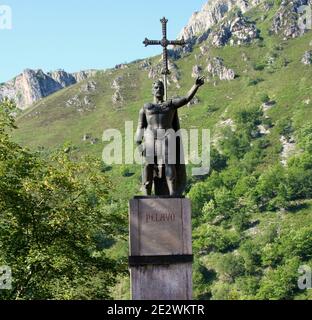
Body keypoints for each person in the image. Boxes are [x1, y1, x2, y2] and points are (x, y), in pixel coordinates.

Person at [135, 76, 205, 196]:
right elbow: (140, 126)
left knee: (169, 163)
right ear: (152, 90)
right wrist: (138, 144)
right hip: (150, 138)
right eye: (156, 87)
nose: (159, 89)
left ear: (163, 90)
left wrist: (195, 86)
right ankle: (147, 193)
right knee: (148, 164)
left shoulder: (170, 104)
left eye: (161, 87)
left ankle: (173, 193)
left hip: (167, 137)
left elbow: (186, 98)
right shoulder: (145, 107)